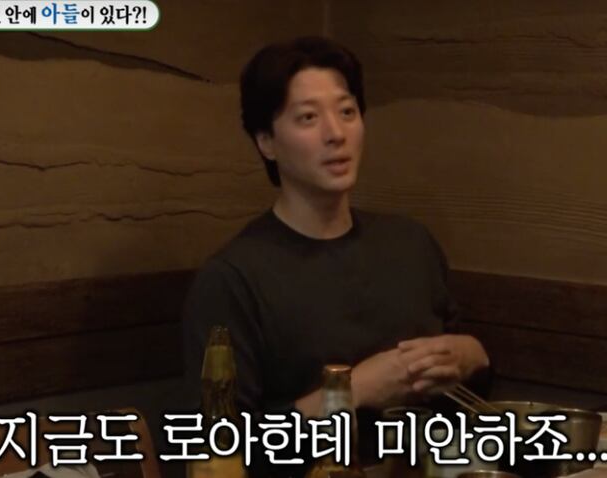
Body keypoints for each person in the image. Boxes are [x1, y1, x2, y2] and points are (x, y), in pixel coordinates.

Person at [183, 35, 490, 476]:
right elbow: (220, 450)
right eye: (308, 118)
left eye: (347, 112)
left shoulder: (410, 243)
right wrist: (350, 392)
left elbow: (471, 391)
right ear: (266, 141)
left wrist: (471, 355)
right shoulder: (232, 279)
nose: (336, 134)